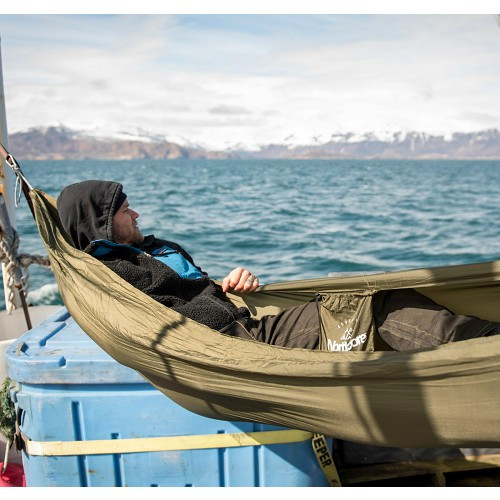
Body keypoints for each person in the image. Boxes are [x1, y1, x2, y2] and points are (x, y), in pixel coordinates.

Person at [57, 180, 499, 352]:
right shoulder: (111, 275)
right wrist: (218, 306)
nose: (136, 214)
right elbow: (164, 324)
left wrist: (226, 285)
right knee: (374, 308)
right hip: (235, 344)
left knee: (371, 296)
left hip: (243, 317)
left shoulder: (152, 249)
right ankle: (487, 350)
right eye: (126, 211)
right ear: (100, 223)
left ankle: (477, 347)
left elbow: (192, 289)